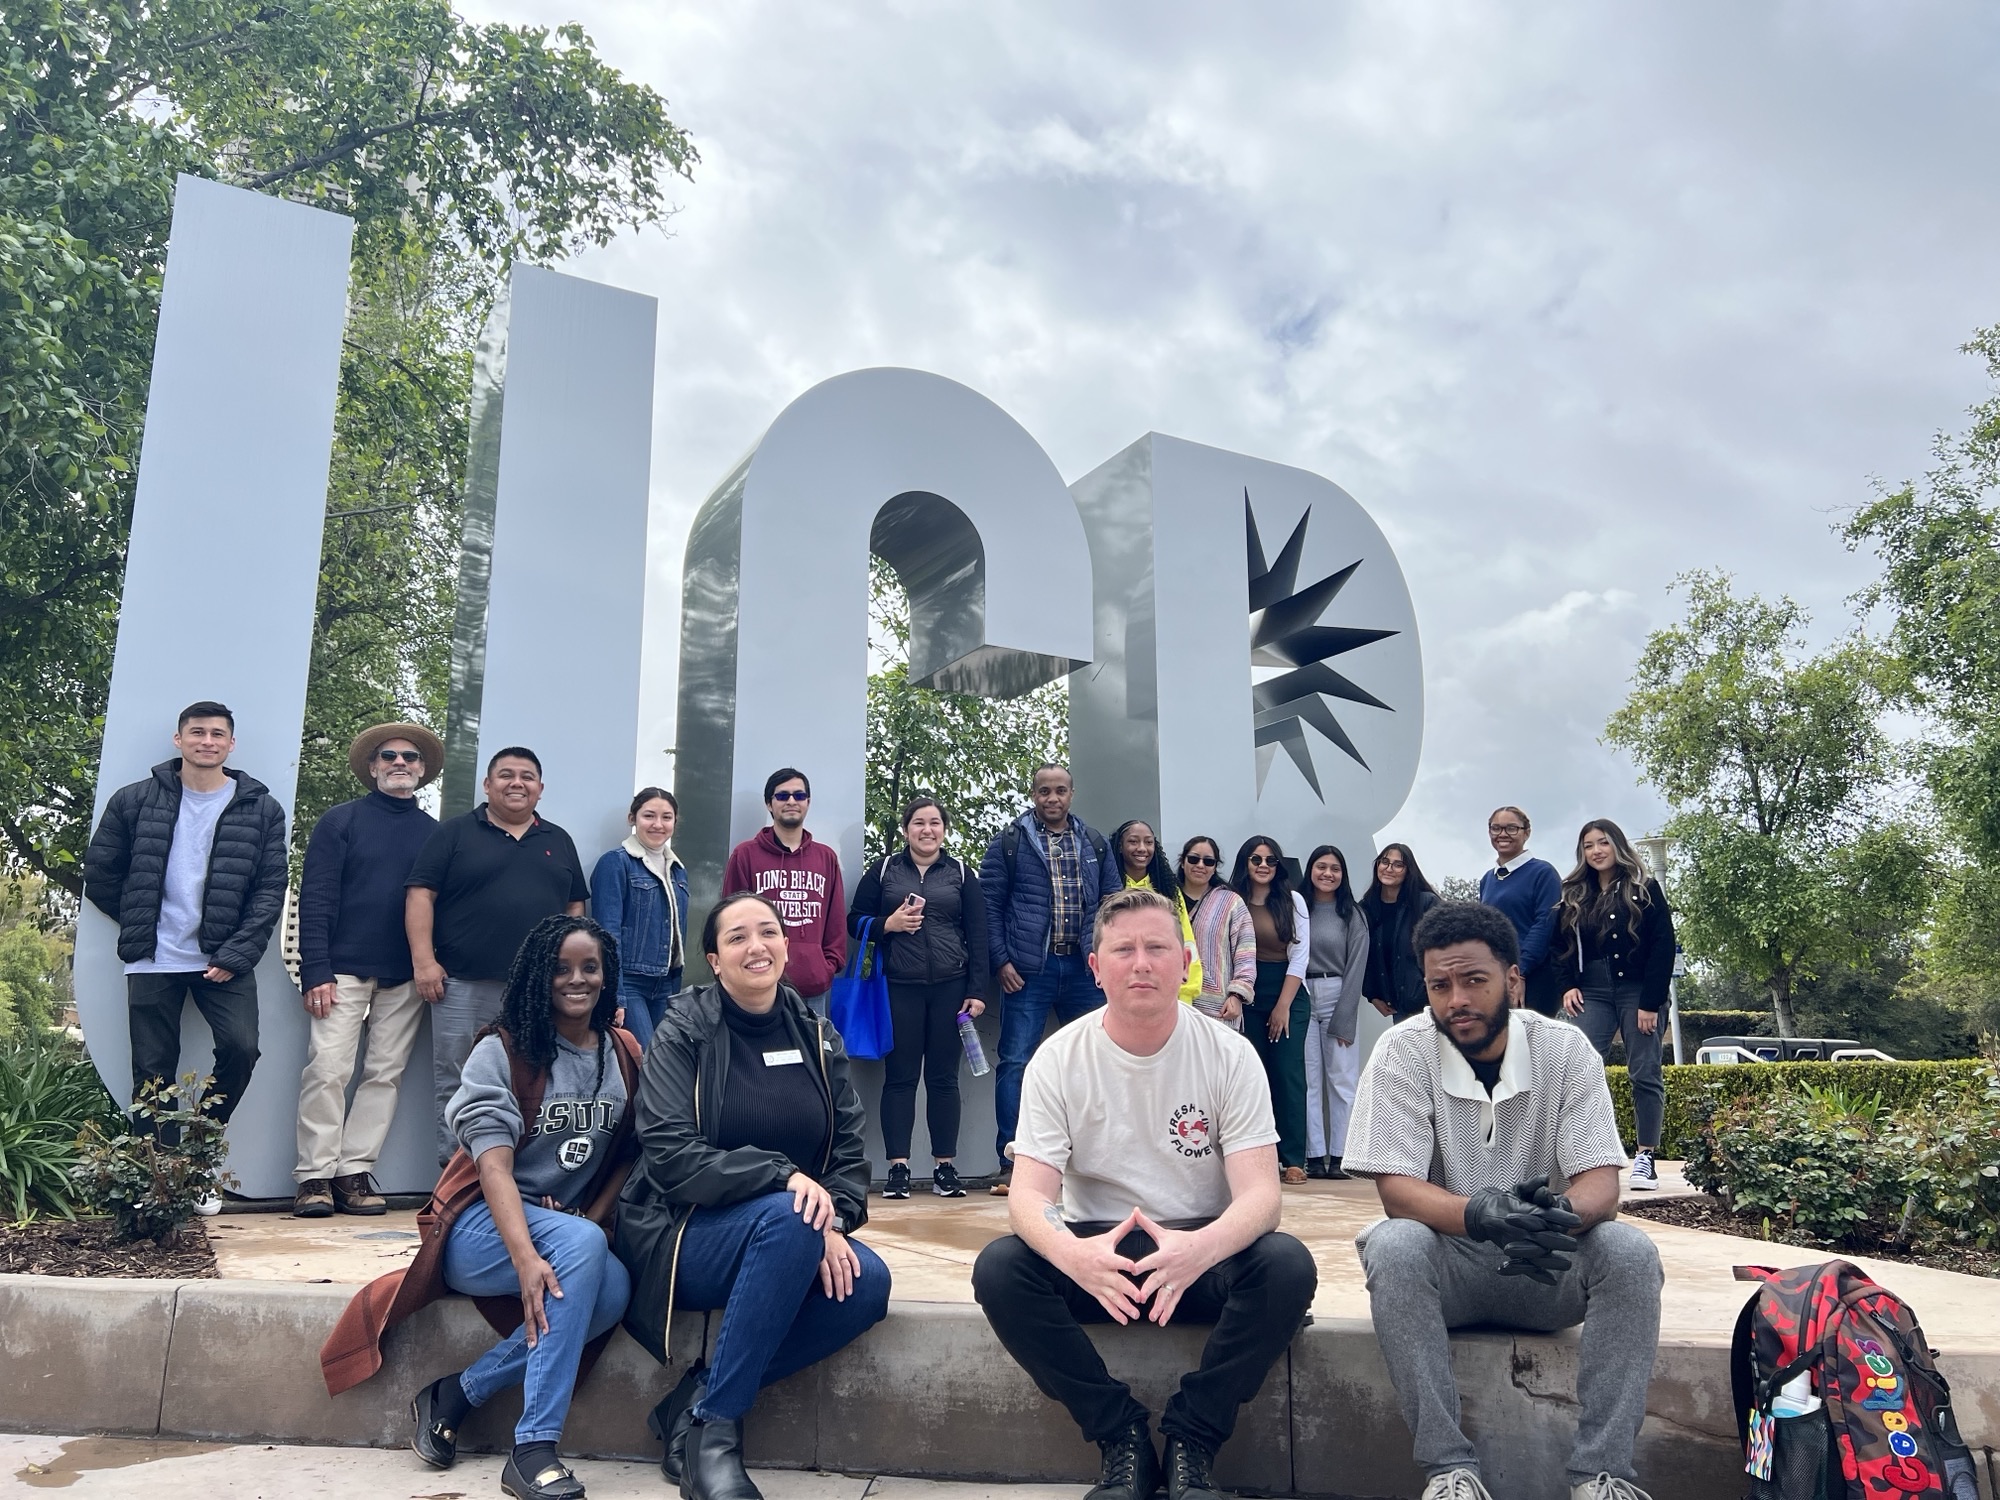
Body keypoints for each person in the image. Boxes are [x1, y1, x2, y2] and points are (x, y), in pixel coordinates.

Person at [972, 887, 1318, 1500]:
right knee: (1001, 1269)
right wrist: (1073, 1256)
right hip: (1098, 1257)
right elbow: (1027, 1197)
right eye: (1123, 950)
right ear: (1095, 967)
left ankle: (1194, 1440)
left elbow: (1263, 1198)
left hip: (1199, 1255)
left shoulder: (1231, 1055)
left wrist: (1198, 1249)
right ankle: (1120, 1437)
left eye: (1157, 948)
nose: (1141, 963)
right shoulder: (1058, 1059)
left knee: (1286, 1265)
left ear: (1185, 964)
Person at [1343, 901, 1663, 1500]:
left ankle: (1601, 1476)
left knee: (1629, 1250)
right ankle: (1449, 1472)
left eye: (1474, 980)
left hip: (1547, 1264)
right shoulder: (1401, 1051)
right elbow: (1396, 1191)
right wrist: (1479, 1214)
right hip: (1451, 1271)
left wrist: (1560, 1216)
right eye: (1440, 985)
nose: (1456, 999)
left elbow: (1601, 1181)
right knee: (1393, 1245)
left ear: (1513, 980)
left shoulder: (1565, 1051)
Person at [616, 892, 888, 1500]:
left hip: (786, 1230)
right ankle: (715, 1439)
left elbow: (848, 1156)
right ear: (714, 960)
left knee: (867, 1284)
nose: (756, 946)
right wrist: (782, 1178)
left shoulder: (817, 1034)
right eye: (737, 937)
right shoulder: (682, 1030)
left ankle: (697, 1399)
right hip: (682, 1232)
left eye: (768, 931)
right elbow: (667, 1152)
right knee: (791, 1214)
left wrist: (833, 1222)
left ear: (787, 946)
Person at [407, 915, 638, 1500]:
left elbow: (631, 1154)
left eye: (590, 967)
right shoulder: (501, 1049)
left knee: (611, 1292)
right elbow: (493, 1168)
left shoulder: (624, 1052)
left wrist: (586, 1219)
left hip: (563, 1225)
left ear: (607, 976)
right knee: (582, 1255)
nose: (577, 980)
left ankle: (458, 1393)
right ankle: (533, 1447)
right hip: (480, 1226)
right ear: (538, 975)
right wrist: (531, 1254)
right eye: (560, 968)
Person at [83, 701, 287, 1186]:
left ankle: (196, 1154)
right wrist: (141, 921)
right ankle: (158, 1180)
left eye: (218, 734)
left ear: (231, 744)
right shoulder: (133, 800)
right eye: (197, 732)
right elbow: (100, 872)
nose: (207, 741)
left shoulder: (260, 806)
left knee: (242, 1049)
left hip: (225, 958)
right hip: (152, 957)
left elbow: (269, 887)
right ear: (179, 740)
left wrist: (237, 952)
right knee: (152, 1071)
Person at [407, 747, 588, 1166]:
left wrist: (567, 972)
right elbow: (420, 896)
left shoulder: (558, 840)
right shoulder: (453, 834)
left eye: (527, 777)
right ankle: (457, 1183)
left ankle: (522, 1178)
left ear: (540, 790)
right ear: (488, 785)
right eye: (506, 775)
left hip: (539, 989)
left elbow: (575, 909)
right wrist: (423, 961)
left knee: (536, 1078)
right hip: (462, 983)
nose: (517, 783)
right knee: (457, 1080)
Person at [291, 722, 443, 1218]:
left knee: (385, 1074)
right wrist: (316, 968)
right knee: (328, 1068)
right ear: (373, 767)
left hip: (407, 974)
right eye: (389, 756)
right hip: (341, 971)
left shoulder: (435, 835)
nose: (400, 763)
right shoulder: (341, 821)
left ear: (421, 772)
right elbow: (314, 899)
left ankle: (353, 1172)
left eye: (410, 758)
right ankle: (314, 1175)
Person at [848, 795, 991, 1199]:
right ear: (907, 829)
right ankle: (898, 1169)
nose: (927, 830)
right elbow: (854, 921)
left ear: (944, 829)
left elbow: (979, 934)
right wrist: (886, 924)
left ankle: (946, 1168)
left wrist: (977, 990)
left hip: (951, 987)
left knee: (944, 1079)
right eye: (918, 823)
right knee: (900, 1079)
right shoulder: (885, 870)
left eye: (934, 823)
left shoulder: (961, 873)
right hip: (899, 987)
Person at [979, 763, 1113, 1193]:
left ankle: (1093, 1163)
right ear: (1033, 794)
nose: (1051, 799)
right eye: (1043, 792)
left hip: (1082, 970)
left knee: (1095, 1062)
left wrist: (1103, 960)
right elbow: (990, 907)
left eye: (1059, 791)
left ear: (1072, 793)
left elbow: (1111, 904)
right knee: (1016, 1062)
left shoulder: (1094, 842)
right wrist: (1001, 960)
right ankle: (1012, 1162)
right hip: (1028, 971)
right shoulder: (1010, 842)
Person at [1553, 820, 1677, 1194]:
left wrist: (1650, 1001)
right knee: (1578, 1068)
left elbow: (1663, 945)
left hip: (1638, 990)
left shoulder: (1645, 890)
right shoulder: (1574, 894)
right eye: (1588, 845)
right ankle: (1581, 1153)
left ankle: (1646, 1156)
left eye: (1603, 843)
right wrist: (1567, 986)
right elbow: (1559, 946)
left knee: (1644, 1070)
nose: (1596, 851)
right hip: (1592, 989)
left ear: (1617, 845)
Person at [721, 768, 846, 1015]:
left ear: (808, 802)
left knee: (812, 1052)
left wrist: (827, 965)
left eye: (799, 796)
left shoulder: (825, 857)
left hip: (813, 986)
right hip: (759, 984)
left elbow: (836, 918)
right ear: (770, 804)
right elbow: (729, 919)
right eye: (782, 796)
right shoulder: (745, 855)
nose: (791, 801)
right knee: (760, 1054)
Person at [1228, 837, 1310, 1184]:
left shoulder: (1293, 901)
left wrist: (1283, 1007)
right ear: (1244, 863)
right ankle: (1259, 1159)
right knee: (1252, 1077)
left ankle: (1293, 1159)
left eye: (1271, 861)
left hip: (1287, 993)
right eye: (1255, 859)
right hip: (1246, 991)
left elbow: (1301, 956)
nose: (1263, 865)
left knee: (1288, 1075)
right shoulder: (1231, 901)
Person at [588, 787, 688, 1050]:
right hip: (630, 983)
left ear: (675, 822)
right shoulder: (615, 863)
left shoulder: (678, 871)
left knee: (665, 1063)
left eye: (666, 817)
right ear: (632, 818)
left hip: (666, 984)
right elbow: (607, 934)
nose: (658, 824)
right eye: (649, 816)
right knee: (643, 1060)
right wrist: (615, 995)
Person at [1300, 845, 1369, 1182]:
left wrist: (1345, 1015)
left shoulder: (1351, 914)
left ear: (1343, 875)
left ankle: (1343, 1155)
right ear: (1310, 870)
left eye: (1335, 868)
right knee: (1308, 1081)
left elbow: (1357, 966)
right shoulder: (1297, 908)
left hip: (1337, 992)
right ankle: (1313, 1156)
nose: (1327, 874)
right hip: (1301, 994)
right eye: (1321, 866)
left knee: (1342, 1081)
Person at [1477, 806, 1563, 1016]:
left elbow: (1544, 924)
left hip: (1534, 976)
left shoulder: (1543, 873)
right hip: (1498, 975)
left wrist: (1521, 972)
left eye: (1511, 828)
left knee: (1532, 1043)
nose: (1503, 834)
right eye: (1496, 828)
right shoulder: (1488, 879)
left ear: (1526, 832)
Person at [1109, 819, 1202, 1003]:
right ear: (1120, 846)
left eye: (1149, 842)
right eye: (1133, 841)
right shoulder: (1109, 888)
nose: (1142, 848)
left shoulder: (1168, 889)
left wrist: (1186, 992)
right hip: (1120, 986)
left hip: (1160, 986)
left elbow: (1185, 939)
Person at [1179, 836, 1255, 1029]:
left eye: (1208, 861)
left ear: (1215, 867)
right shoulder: (1166, 900)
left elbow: (1245, 953)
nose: (1200, 865)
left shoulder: (1231, 902)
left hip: (1219, 1009)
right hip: (1173, 1004)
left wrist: (1238, 995)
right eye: (1194, 859)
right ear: (1182, 862)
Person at [1360, 843, 1439, 1024]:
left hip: (1431, 1003)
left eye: (1398, 865)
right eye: (1385, 862)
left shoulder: (1426, 904)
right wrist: (1372, 995)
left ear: (1408, 871)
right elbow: (1364, 956)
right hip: (1399, 1007)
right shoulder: (1367, 908)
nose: (1389, 869)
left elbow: (1444, 951)